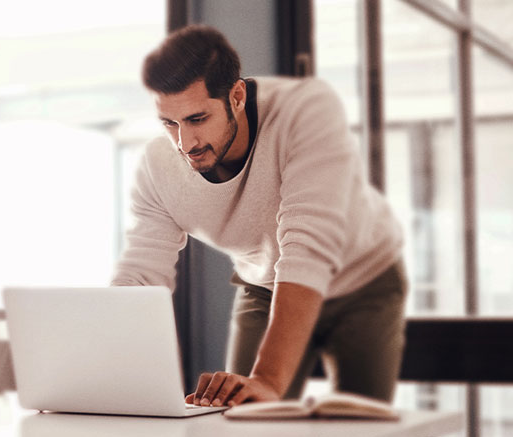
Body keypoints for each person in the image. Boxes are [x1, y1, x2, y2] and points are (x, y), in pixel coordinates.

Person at [111, 25, 406, 407]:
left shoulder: (306, 109)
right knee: (240, 418)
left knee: (361, 426)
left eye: (198, 119)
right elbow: (141, 274)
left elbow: (307, 248)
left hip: (362, 280)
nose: (185, 144)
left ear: (236, 96)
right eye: (170, 123)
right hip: (266, 286)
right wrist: (105, 368)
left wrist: (268, 378)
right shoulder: (158, 167)